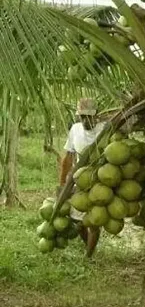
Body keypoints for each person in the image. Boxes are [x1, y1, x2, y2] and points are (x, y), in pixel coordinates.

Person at [58, 98, 105, 257]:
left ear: (96, 115)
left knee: (94, 220)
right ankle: (88, 247)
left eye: (89, 116)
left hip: (101, 180)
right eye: (82, 116)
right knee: (78, 221)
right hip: (80, 179)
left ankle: (89, 256)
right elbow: (68, 157)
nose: (86, 120)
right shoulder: (75, 130)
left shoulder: (104, 129)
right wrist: (62, 183)